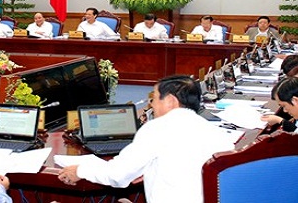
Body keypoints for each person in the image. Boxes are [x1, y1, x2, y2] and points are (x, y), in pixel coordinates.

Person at [58, 75, 233, 203]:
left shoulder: (157, 128)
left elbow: (117, 175)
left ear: (170, 101)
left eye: (153, 99)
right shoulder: (217, 133)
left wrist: (80, 171)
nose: (151, 105)